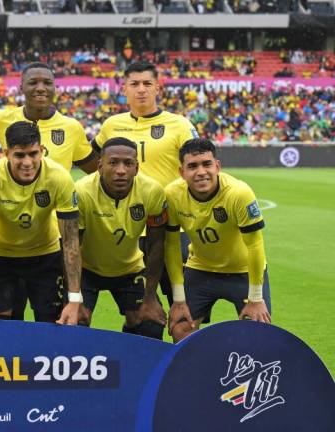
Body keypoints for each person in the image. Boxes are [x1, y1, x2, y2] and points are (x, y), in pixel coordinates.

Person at [92, 61, 199, 306]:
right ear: (124, 89)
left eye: (147, 84)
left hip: (173, 228)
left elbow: (198, 163)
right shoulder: (111, 125)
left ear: (158, 89)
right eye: (135, 84)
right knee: (138, 308)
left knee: (182, 302)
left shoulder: (180, 125)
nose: (141, 89)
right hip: (128, 228)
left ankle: (183, 345)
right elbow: (93, 161)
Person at [0, 121, 87, 324]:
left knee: (51, 323)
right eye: (19, 155)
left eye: (33, 153)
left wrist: (75, 298)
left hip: (45, 255)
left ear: (42, 150)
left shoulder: (59, 178)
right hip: (2, 257)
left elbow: (70, 241)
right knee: (2, 325)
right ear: (6, 153)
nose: (27, 162)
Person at [165, 139, 272, 343]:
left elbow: (255, 245)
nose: (201, 172)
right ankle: (197, 374)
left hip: (243, 271)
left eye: (206, 164)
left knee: (258, 332)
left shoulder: (238, 193)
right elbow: (170, 245)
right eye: (192, 166)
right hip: (200, 269)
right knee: (180, 328)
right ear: (181, 172)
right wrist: (178, 299)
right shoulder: (172, 194)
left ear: (217, 166)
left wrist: (256, 298)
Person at [74, 137, 167, 339]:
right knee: (73, 322)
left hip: (129, 269)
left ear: (137, 168)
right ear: (100, 166)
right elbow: (71, 246)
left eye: (128, 163)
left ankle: (132, 363)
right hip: (87, 269)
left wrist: (150, 297)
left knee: (149, 324)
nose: (121, 170)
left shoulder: (152, 191)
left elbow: (157, 244)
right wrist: (74, 299)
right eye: (113, 162)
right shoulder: (82, 191)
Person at [0, 62, 97, 174]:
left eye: (47, 83)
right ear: (21, 88)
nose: (41, 88)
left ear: (54, 88)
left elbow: (95, 171)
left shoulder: (72, 127)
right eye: (33, 83)